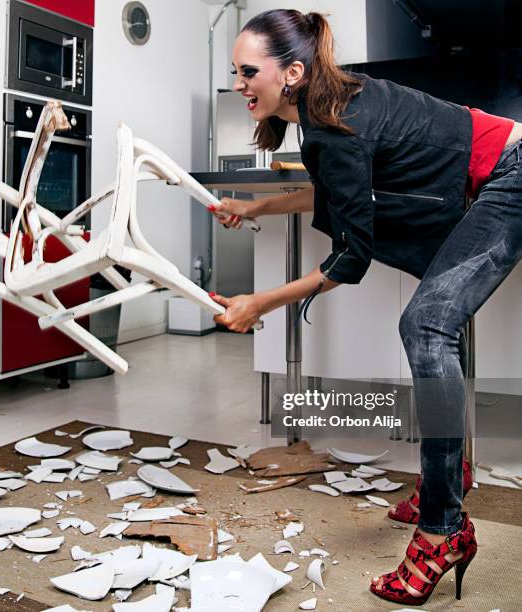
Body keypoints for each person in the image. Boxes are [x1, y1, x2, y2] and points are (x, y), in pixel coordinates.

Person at [208, 8, 522, 606]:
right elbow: (337, 191)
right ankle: (446, 484)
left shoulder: (335, 124)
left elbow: (348, 258)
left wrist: (261, 304)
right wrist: (255, 207)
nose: (238, 85)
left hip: (513, 173)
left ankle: (443, 530)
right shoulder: (329, 108)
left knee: (427, 325)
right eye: (234, 72)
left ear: (292, 72)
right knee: (433, 325)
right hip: (493, 175)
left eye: (248, 72)